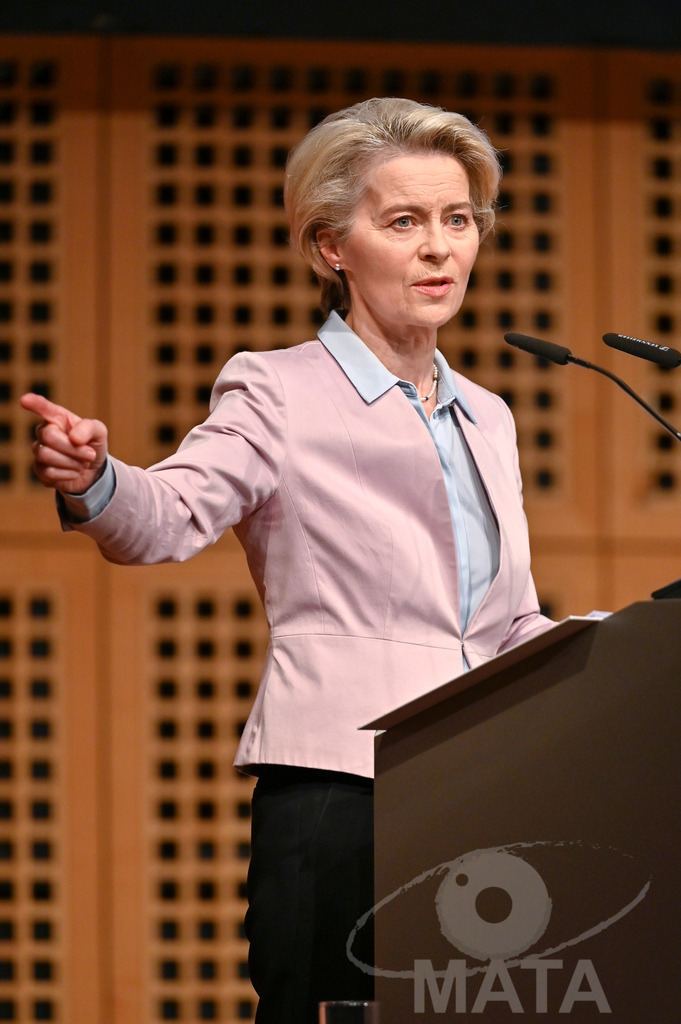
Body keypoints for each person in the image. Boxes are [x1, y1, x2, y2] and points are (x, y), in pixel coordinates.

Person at [21, 97, 554, 1024]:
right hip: (343, 786)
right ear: (330, 247)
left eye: (459, 219)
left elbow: (504, 622)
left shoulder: (488, 416)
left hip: (477, 786)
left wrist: (613, 652)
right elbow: (167, 517)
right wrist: (97, 478)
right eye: (404, 222)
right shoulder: (277, 389)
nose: (440, 248)